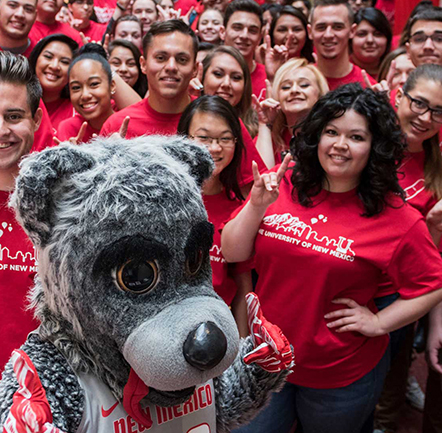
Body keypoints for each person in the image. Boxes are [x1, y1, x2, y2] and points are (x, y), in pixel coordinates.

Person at [222, 83, 442, 433]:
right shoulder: (286, 181)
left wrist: (380, 323)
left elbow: (432, 283)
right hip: (266, 362)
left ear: (375, 147)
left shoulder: (396, 217)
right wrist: (256, 206)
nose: (340, 145)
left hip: (339, 376)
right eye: (331, 132)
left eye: (356, 137)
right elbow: (232, 251)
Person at [374, 63, 442, 433]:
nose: (425, 118)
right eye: (419, 103)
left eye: (438, 111)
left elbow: (431, 258)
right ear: (399, 97)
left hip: (399, 295)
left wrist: (432, 227)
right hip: (348, 281)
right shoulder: (365, 144)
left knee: (392, 373)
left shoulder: (437, 167)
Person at [177, 95, 252, 337]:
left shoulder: (239, 209)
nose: (215, 147)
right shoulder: (166, 199)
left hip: (216, 331)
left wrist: (241, 350)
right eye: (204, 138)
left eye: (225, 139)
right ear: (184, 139)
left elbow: (243, 287)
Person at [0, 51, 42, 371]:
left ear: (36, 120)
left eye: (13, 116)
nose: (2, 130)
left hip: (39, 400)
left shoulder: (62, 205)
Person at [101, 19, 197, 138]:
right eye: (161, 58)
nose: (171, 67)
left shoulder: (212, 119)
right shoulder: (116, 126)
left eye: (182, 59)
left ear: (195, 68)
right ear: (143, 64)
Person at [255, 58, 329, 167]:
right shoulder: (267, 137)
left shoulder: (330, 136)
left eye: (304, 85)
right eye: (286, 87)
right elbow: (260, 177)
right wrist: (264, 123)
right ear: (277, 97)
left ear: (320, 94)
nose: (294, 90)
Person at [308, 0, 377, 91]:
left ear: (352, 31)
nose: (328, 35)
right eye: (321, 27)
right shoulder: (297, 84)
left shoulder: (367, 86)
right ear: (310, 32)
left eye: (338, 27)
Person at [202, 45, 257, 137]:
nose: (226, 84)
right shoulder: (185, 116)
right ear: (202, 77)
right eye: (218, 74)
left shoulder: (258, 128)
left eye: (236, 77)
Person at [28, 34, 78, 132]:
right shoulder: (17, 100)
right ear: (36, 59)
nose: (54, 66)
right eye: (48, 57)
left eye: (64, 62)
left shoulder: (79, 108)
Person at [220, 0, 267, 102]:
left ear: (259, 38)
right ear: (222, 32)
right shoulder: (206, 73)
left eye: (252, 31)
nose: (244, 36)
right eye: (237, 28)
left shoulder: (268, 77)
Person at [264, 5, 314, 83]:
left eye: (297, 29)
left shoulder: (315, 69)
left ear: (308, 33)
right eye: (282, 30)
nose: (290, 35)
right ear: (272, 35)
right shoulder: (263, 71)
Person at [351, 7, 392, 80]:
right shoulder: (339, 71)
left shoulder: (397, 72)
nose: (370, 40)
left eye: (377, 34)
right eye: (362, 34)